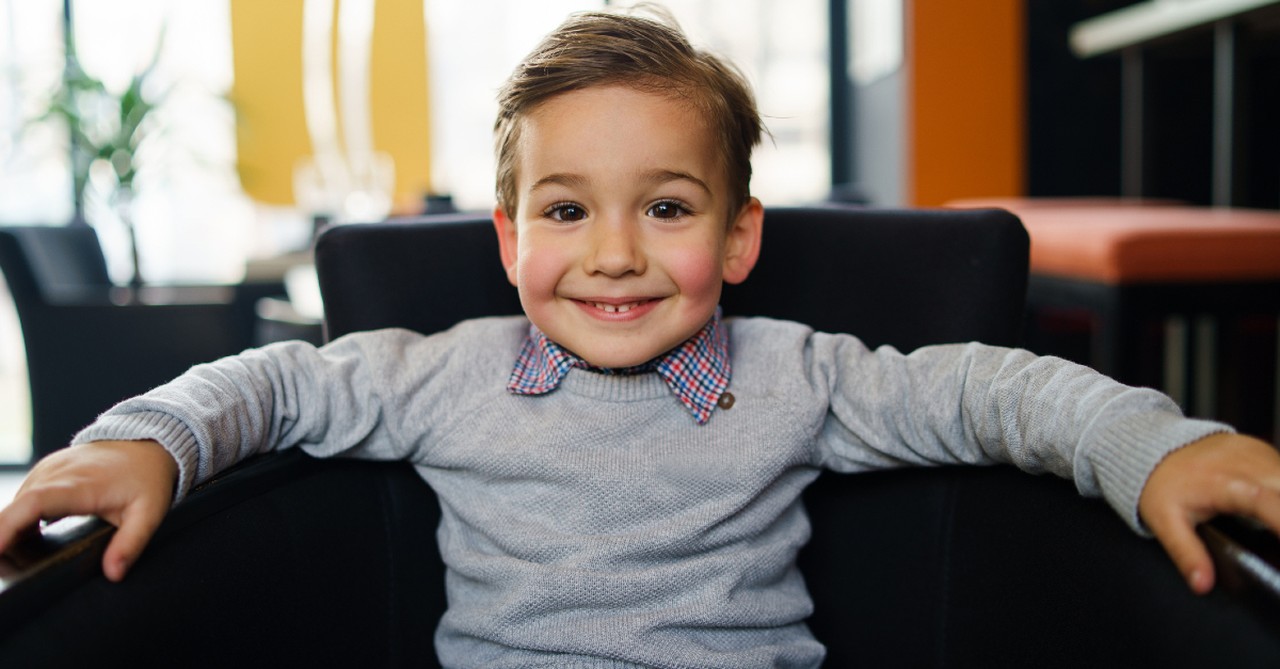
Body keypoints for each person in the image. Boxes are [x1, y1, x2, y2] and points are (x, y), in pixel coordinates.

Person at [2, 7, 1280, 668]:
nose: (613, 252)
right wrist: (151, 443)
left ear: (734, 241)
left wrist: (1149, 447)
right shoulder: (440, 374)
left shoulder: (799, 376)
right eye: (566, 211)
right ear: (509, 243)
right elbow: (274, 386)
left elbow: (989, 393)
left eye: (664, 209)